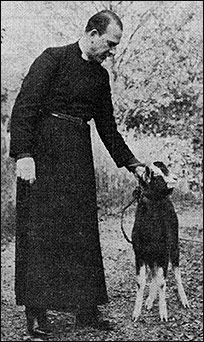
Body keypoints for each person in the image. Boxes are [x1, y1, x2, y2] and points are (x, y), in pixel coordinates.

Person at [9, 9, 145, 338]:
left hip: (78, 157)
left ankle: (85, 310)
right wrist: (23, 155)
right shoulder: (52, 59)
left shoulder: (100, 78)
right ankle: (37, 314)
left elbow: (108, 129)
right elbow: (24, 107)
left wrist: (133, 164)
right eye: (110, 44)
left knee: (82, 231)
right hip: (42, 156)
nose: (112, 51)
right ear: (93, 33)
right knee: (40, 233)